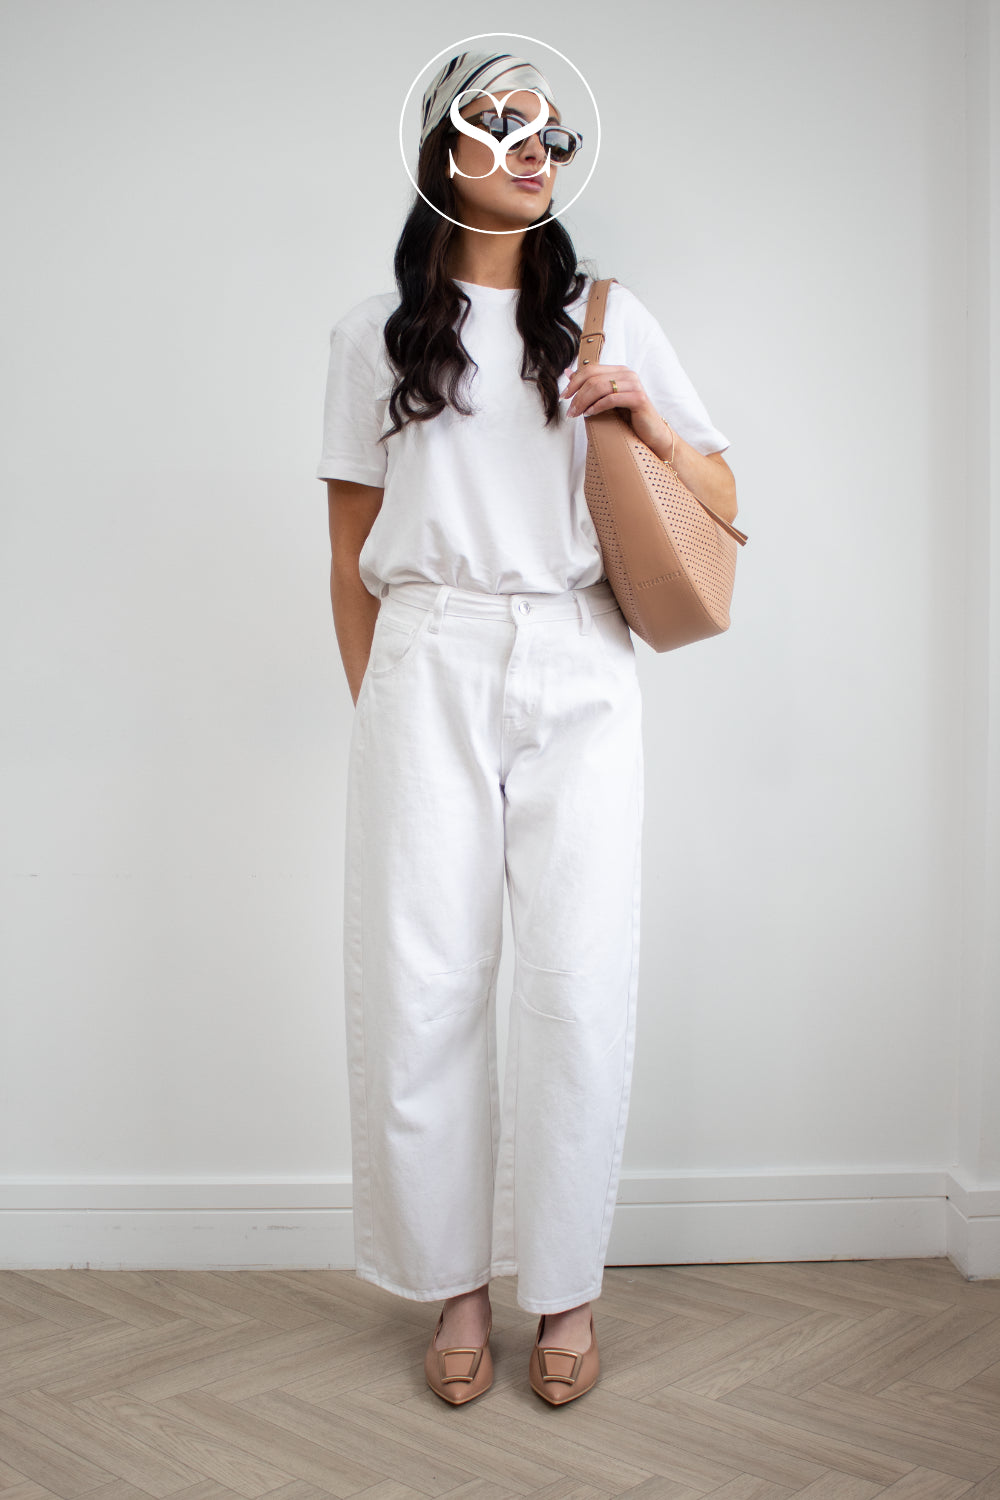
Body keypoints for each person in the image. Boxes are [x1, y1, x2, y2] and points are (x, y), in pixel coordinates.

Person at [315, 50, 737, 1406]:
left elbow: (722, 485)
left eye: (550, 128)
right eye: (501, 122)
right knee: (424, 975)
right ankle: (453, 1284)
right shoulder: (370, 338)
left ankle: (562, 1291)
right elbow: (345, 554)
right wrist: (381, 706)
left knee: (576, 975)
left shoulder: (611, 322)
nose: (533, 144)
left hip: (578, 649)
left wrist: (645, 417)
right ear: (442, 148)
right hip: (426, 653)